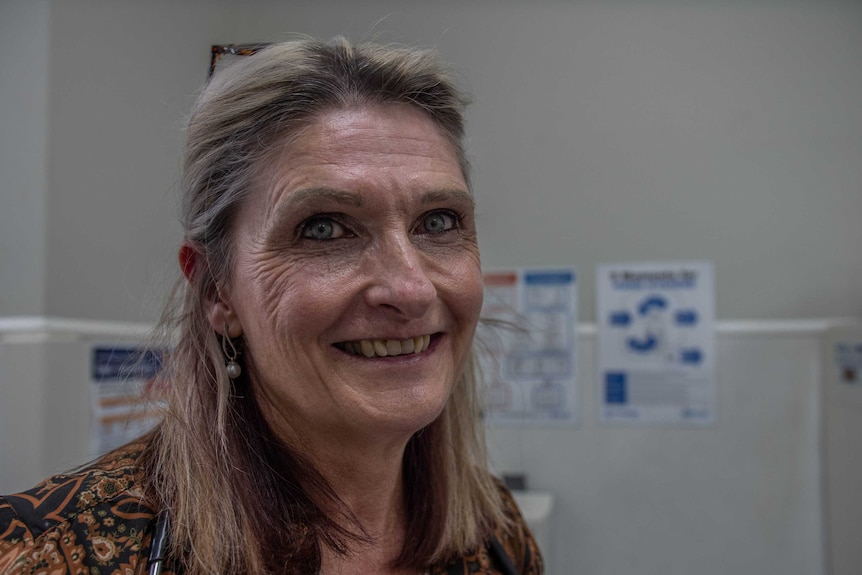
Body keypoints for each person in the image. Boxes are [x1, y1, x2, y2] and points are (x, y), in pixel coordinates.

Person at [0, 37, 543, 575]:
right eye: (324, 229)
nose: (411, 289)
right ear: (218, 290)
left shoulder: (496, 535)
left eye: (439, 222)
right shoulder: (45, 553)